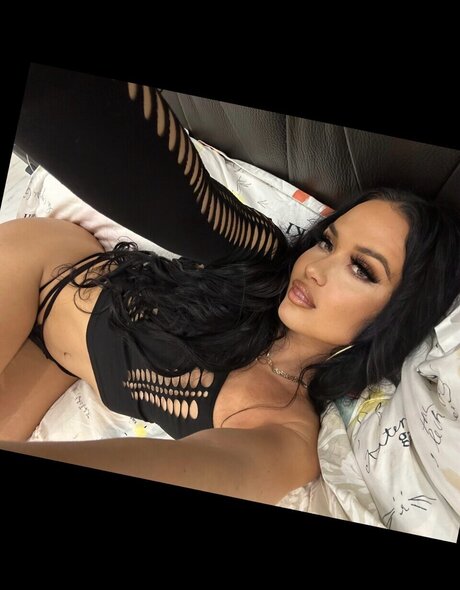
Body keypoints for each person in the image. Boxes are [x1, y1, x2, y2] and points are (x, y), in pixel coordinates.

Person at [0, 64, 459, 506]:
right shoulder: (263, 260)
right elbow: (178, 196)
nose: (315, 267)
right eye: (327, 242)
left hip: (52, 364)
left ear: (397, 317)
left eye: (361, 269)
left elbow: (187, 469)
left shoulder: (288, 435)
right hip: (45, 270)